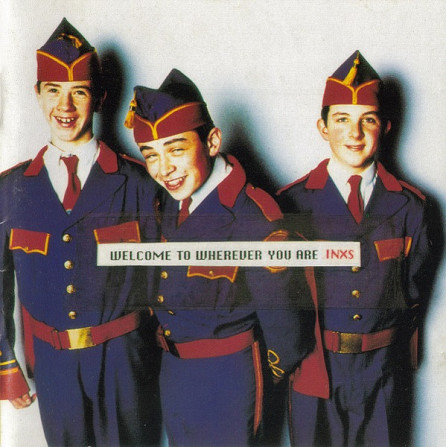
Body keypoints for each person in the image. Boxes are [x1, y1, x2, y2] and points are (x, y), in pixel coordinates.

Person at [124, 69, 314, 446]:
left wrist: (254, 379)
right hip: (173, 372)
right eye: (151, 155)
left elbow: (287, 331)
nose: (164, 169)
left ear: (211, 141)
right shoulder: (168, 204)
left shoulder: (254, 216)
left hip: (230, 381)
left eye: (176, 149)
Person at [0, 18, 161, 446]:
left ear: (101, 98)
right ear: (37, 94)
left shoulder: (141, 183)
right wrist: (5, 365)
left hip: (125, 360)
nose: (65, 106)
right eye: (53, 90)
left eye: (80, 92)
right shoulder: (10, 189)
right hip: (52, 364)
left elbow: (167, 280)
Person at [277, 51, 431, 446]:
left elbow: (414, 290)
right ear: (323, 127)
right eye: (342, 119)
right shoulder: (290, 204)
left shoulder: (410, 207)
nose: (355, 133)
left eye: (368, 120)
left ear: (386, 127)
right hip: (315, 369)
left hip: (383, 371)